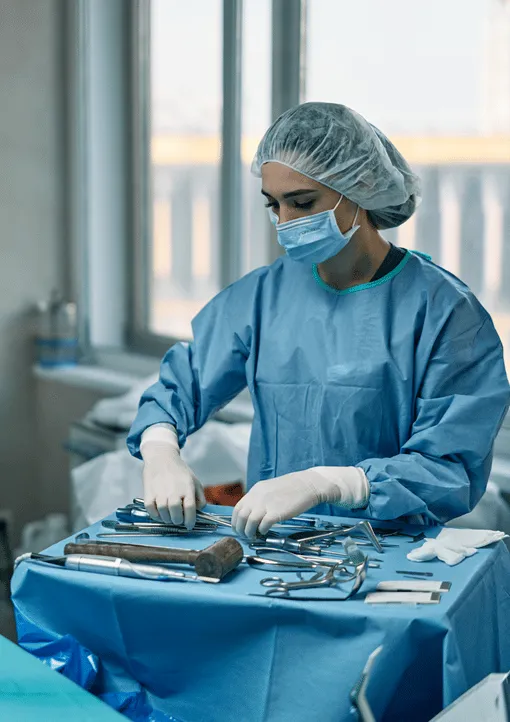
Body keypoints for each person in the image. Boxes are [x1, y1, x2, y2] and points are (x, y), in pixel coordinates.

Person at [127, 102, 510, 539]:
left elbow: (449, 465)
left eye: (302, 202)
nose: (285, 223)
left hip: (389, 554)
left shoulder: (445, 313)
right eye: (274, 206)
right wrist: (160, 451)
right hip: (274, 545)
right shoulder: (264, 297)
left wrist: (333, 484)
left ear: (361, 186)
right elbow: (182, 384)